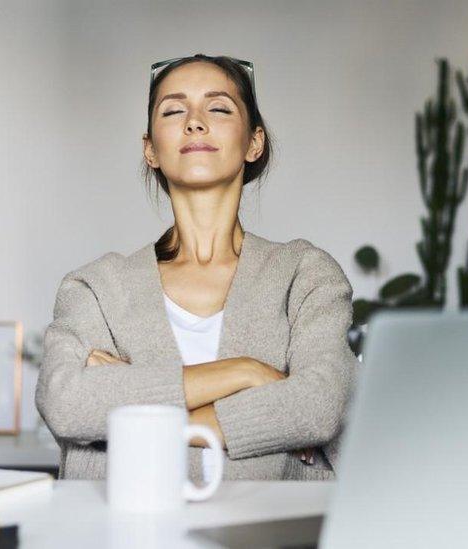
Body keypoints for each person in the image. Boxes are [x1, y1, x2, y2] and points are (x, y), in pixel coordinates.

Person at [35, 54, 359, 483]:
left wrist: (136, 405)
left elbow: (317, 407)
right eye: (173, 110)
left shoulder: (306, 275)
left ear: (254, 142)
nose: (194, 122)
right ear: (151, 149)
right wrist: (246, 372)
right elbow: (68, 404)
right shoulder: (94, 287)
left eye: (219, 107)